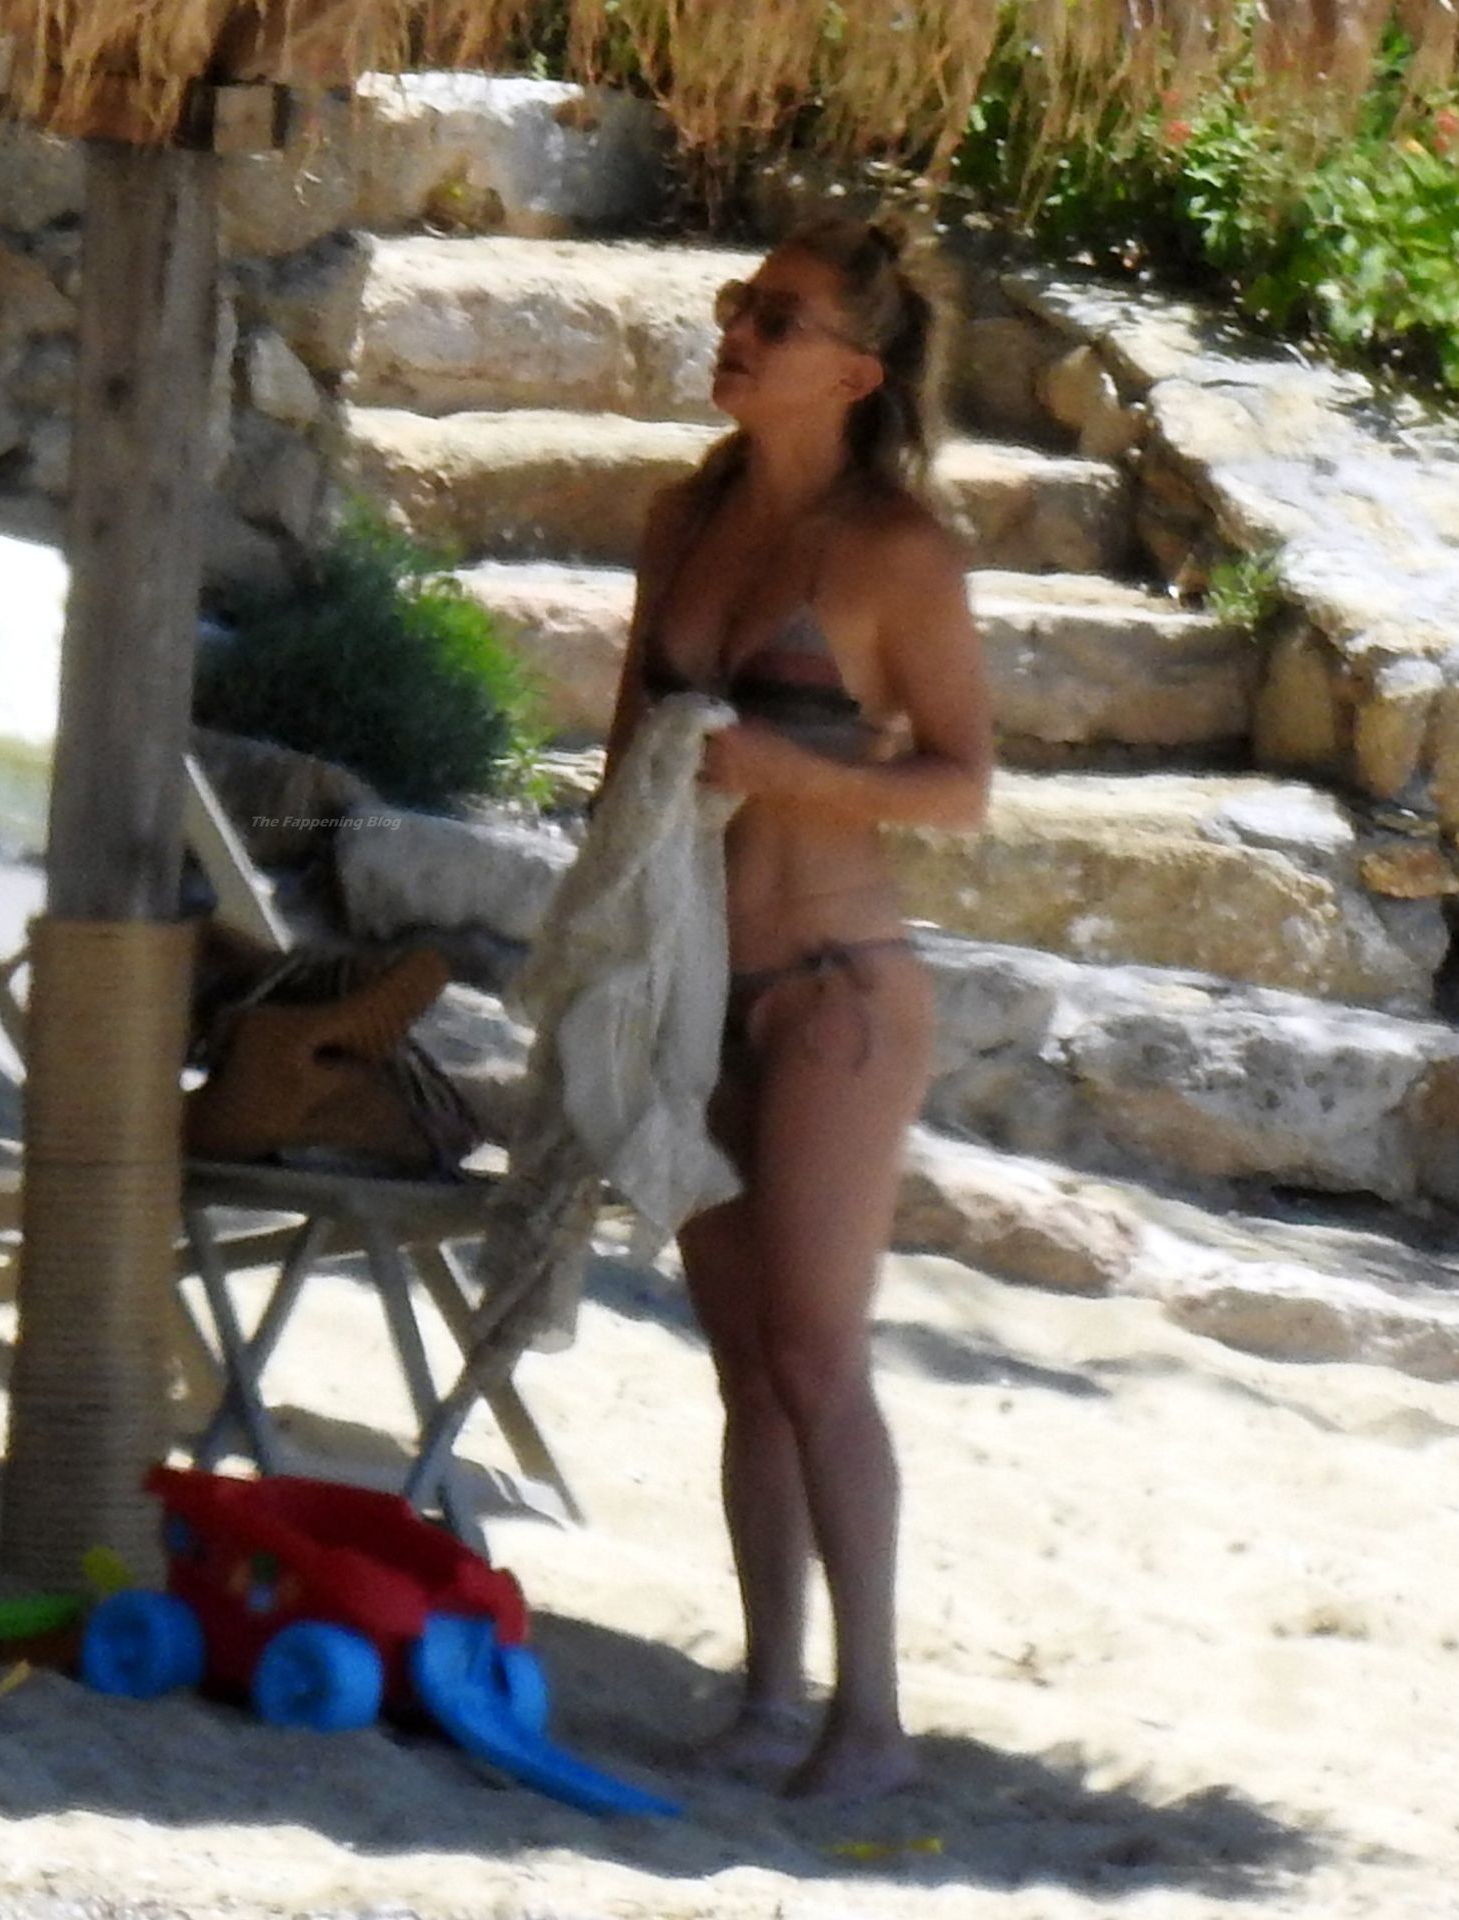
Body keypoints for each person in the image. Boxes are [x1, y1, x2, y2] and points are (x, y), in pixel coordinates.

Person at [596, 214, 995, 1800]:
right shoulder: (681, 516)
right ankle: (769, 1698)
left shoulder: (898, 553)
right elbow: (623, 756)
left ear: (854, 371)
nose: (738, 330)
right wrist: (602, 961)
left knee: (817, 1354)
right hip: (694, 972)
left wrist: (784, 767)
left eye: (777, 315)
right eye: (737, 302)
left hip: (835, 986)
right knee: (744, 1363)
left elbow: (960, 788)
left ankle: (872, 1721)